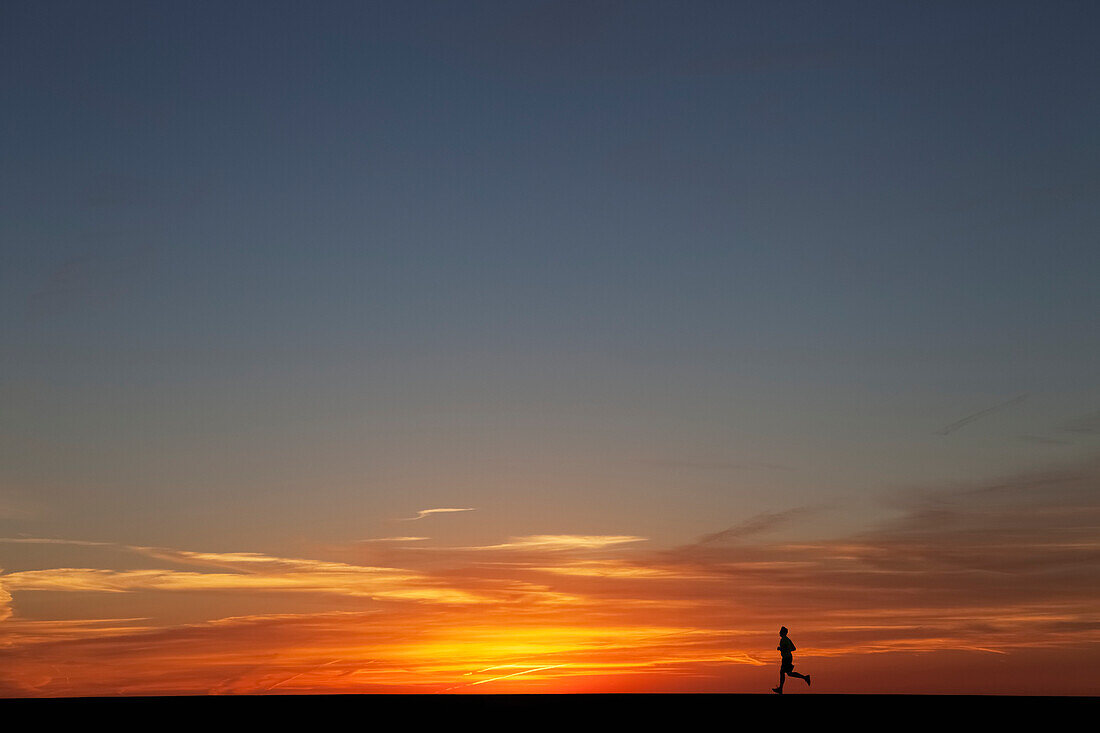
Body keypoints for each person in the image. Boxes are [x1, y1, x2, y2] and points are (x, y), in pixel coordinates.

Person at [772, 626, 810, 694]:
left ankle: (780, 689)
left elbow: (785, 648)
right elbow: (794, 648)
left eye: (780, 631)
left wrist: (780, 649)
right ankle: (805, 677)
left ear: (783, 632)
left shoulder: (783, 639)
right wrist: (787, 649)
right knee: (789, 673)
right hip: (789, 657)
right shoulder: (788, 639)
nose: (779, 632)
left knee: (782, 672)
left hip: (786, 658)